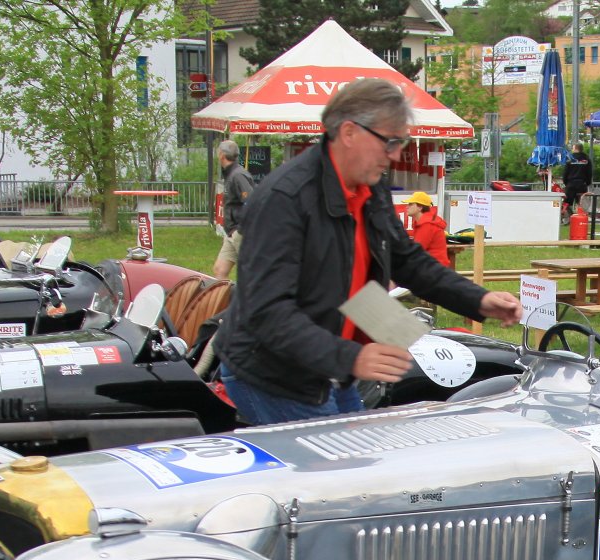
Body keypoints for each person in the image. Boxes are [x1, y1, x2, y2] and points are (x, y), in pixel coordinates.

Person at [215, 78, 521, 423]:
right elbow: (268, 312)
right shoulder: (284, 199)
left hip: (333, 367)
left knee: (361, 451)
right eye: (390, 141)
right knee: (336, 458)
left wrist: (478, 299)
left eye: (400, 142)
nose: (395, 154)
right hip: (275, 374)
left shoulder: (369, 188)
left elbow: (407, 259)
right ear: (349, 132)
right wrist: (351, 357)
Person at [211, 139, 256, 282]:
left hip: (240, 232)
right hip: (231, 233)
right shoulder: (230, 174)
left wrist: (241, 229)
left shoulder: (238, 176)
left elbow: (251, 202)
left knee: (251, 272)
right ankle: (227, 296)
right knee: (219, 270)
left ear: (221, 155)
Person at [403, 190, 450, 267]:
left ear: (420, 207)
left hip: (434, 268)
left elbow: (416, 251)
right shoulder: (425, 222)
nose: (407, 207)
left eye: (410, 204)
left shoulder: (427, 225)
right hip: (432, 266)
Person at [562, 141, 593, 215]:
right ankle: (580, 217)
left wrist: (566, 182)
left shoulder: (570, 158)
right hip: (582, 184)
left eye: (573, 148)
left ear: (575, 148)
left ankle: (568, 216)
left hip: (571, 184)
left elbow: (565, 172)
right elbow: (589, 173)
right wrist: (587, 183)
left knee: (567, 203)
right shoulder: (587, 159)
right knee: (581, 203)